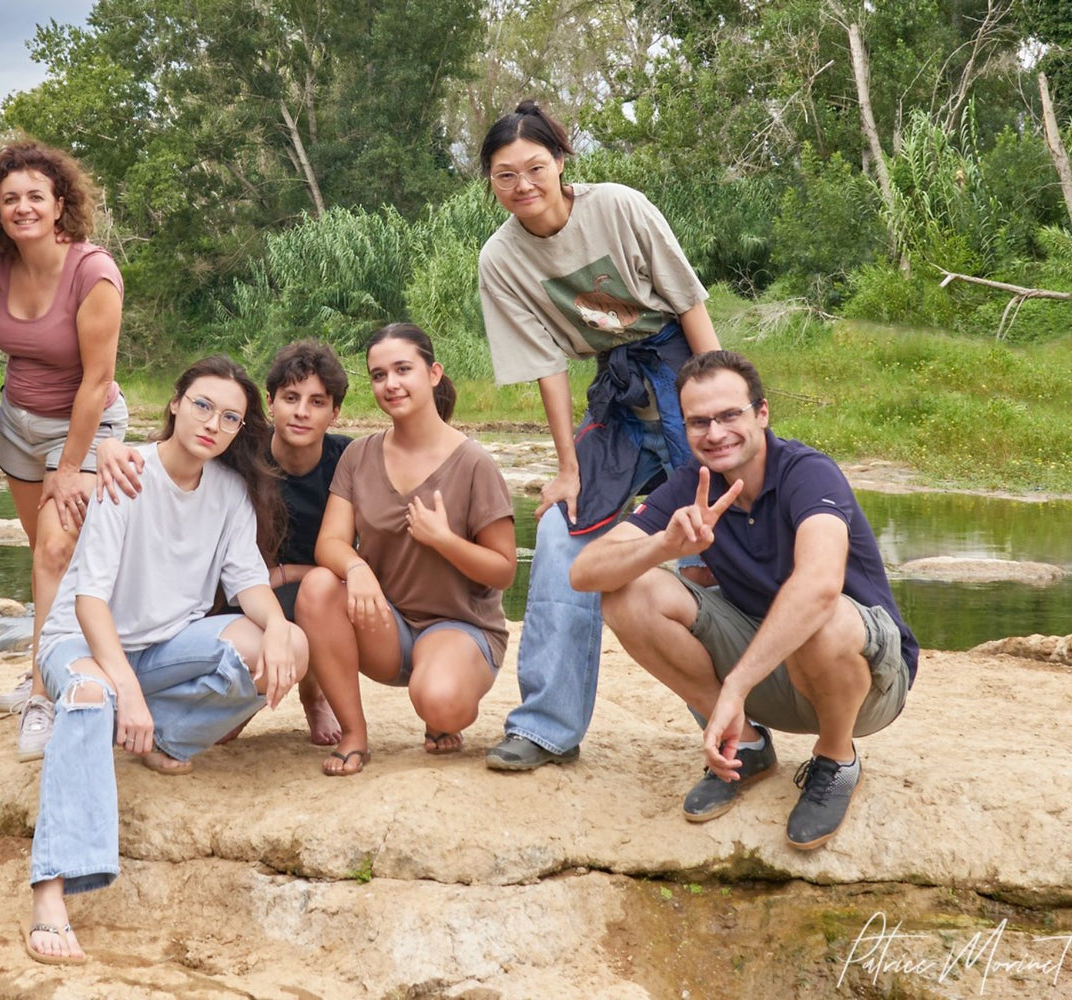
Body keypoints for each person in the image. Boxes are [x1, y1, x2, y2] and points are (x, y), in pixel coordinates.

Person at [569, 350, 917, 849]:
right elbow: (584, 572)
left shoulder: (808, 473)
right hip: (769, 674)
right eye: (698, 422)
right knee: (629, 592)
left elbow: (819, 585)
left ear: (762, 414)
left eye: (730, 415)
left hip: (866, 684)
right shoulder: (690, 484)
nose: (715, 433)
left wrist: (734, 687)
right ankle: (746, 747)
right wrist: (664, 545)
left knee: (823, 616)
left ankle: (837, 760)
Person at [24, 354, 307, 964]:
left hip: (165, 648)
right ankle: (52, 890)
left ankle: (156, 734)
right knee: (91, 695)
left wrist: (281, 624)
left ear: (239, 430)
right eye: (203, 405)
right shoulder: (128, 474)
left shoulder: (230, 491)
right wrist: (122, 686)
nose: (213, 423)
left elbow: (248, 581)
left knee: (286, 648)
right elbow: (90, 601)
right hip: (80, 640)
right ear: (176, 403)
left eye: (230, 417)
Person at [476, 100, 722, 772]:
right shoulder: (501, 259)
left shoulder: (619, 207)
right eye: (505, 176)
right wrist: (567, 468)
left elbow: (691, 306)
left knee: (711, 538)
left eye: (535, 167)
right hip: (618, 395)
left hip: (684, 374)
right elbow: (547, 367)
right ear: (490, 183)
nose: (523, 185)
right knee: (563, 525)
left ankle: (735, 726)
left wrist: (725, 413)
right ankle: (546, 726)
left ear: (560, 162)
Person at [295, 324, 516, 776]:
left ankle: (440, 718)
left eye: (403, 369)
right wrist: (355, 568)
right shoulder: (359, 456)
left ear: (433, 373)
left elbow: (504, 571)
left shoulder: (474, 462)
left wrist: (444, 540)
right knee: (318, 587)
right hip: (387, 626)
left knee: (439, 702)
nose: (390, 384)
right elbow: (329, 543)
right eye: (378, 375)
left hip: (460, 627)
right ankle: (355, 734)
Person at [0, 138, 129, 762]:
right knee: (47, 558)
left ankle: (43, 696)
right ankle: (54, 663)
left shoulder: (93, 272)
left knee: (58, 553)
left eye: (36, 196)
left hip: (84, 428)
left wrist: (70, 468)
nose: (23, 207)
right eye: (10, 199)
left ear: (60, 204)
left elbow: (96, 380)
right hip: (18, 425)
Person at [263, 340, 351, 745]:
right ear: (271, 402)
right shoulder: (243, 456)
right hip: (248, 588)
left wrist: (286, 573)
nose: (301, 412)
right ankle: (237, 706)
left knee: (318, 594)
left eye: (317, 402)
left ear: (334, 412)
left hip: (322, 587)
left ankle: (314, 696)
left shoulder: (349, 462)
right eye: (291, 398)